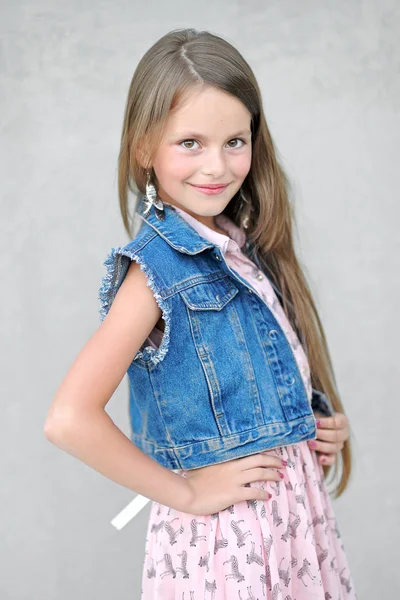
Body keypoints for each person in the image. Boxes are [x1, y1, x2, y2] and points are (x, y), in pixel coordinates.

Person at [44, 28, 358, 599]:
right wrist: (187, 494)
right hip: (231, 541)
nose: (217, 165)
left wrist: (307, 429)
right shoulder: (155, 272)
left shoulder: (245, 248)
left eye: (235, 141)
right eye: (190, 142)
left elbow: (252, 386)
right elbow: (69, 418)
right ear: (145, 148)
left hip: (292, 527)